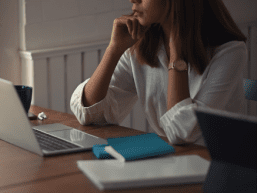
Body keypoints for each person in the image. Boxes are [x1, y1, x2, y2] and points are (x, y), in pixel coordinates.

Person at [70, 0, 248, 146]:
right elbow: (89, 115)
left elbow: (182, 134)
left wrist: (177, 54)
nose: (133, 0)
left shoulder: (230, 52)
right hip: (175, 160)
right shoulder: (142, 46)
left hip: (218, 166)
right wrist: (114, 50)